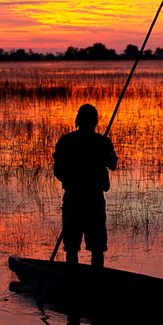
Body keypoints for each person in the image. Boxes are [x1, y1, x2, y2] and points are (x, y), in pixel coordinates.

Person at [53, 104, 118, 268]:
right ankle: (74, 278)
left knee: (95, 246)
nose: (92, 121)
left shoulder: (101, 141)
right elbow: (59, 169)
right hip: (75, 197)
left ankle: (94, 280)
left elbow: (112, 164)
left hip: (93, 197)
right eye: (90, 118)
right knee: (74, 245)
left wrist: (104, 151)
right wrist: (72, 182)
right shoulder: (67, 141)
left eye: (93, 118)